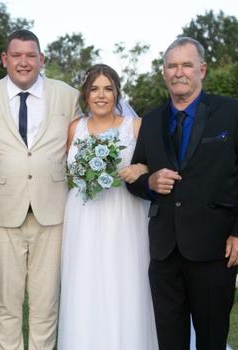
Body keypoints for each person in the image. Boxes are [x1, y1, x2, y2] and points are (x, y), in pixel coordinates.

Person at [127, 36, 238, 350]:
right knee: (169, 340)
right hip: (164, 250)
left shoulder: (233, 113)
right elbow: (134, 175)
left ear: (201, 70)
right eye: (172, 66)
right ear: (164, 72)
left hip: (215, 248)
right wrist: (148, 183)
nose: (179, 72)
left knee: (211, 339)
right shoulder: (150, 121)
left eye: (187, 65)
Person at [0, 29, 81, 350]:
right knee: (7, 303)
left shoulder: (68, 96)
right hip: (3, 213)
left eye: (31, 55)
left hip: (53, 213)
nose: (24, 62)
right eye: (16, 55)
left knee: (46, 304)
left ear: (42, 59)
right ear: (4, 59)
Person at [57, 64, 157, 350]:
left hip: (124, 214)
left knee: (124, 282)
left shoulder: (134, 127)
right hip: (83, 215)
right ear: (86, 94)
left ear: (117, 93)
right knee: (85, 284)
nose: (101, 95)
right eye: (94, 89)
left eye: (108, 89)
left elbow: (156, 163)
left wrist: (140, 167)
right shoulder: (74, 128)